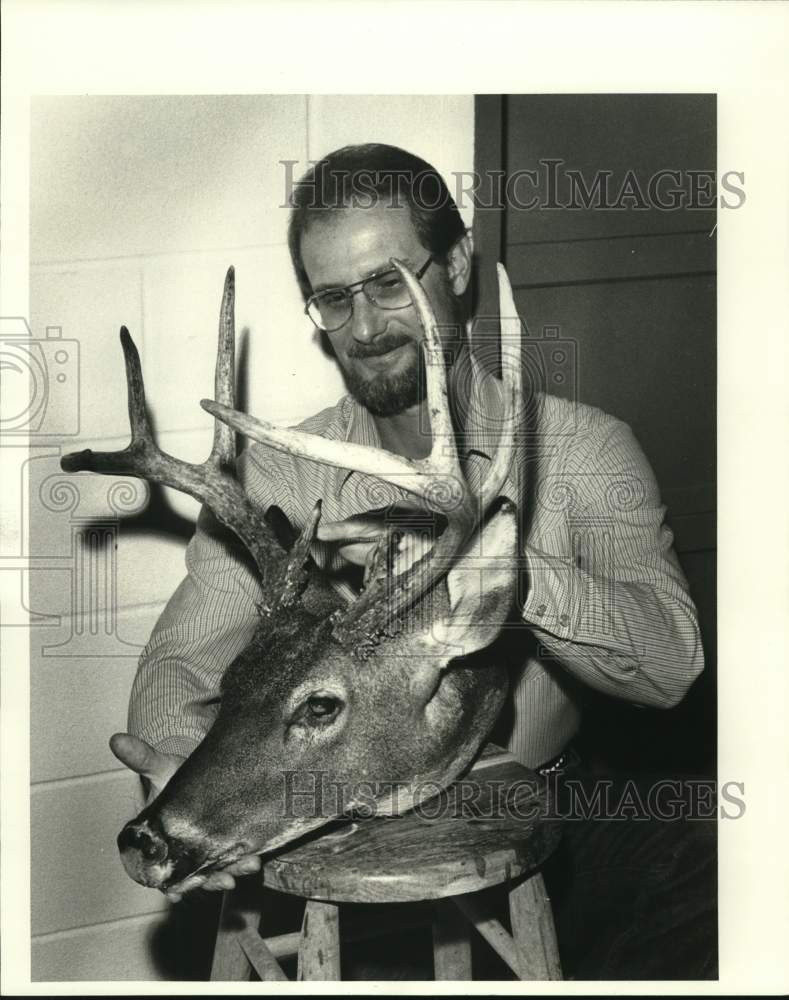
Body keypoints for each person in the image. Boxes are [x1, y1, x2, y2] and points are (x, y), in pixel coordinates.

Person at [111, 143, 715, 978]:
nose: (363, 326)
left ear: (458, 262)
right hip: (339, 828)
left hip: (552, 812)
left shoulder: (583, 451)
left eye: (389, 281)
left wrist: (499, 577)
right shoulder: (285, 473)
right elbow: (182, 657)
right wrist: (187, 761)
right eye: (332, 298)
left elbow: (672, 664)